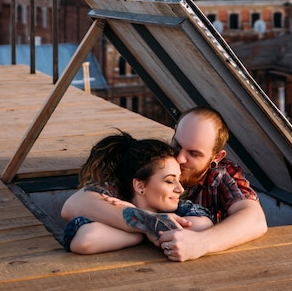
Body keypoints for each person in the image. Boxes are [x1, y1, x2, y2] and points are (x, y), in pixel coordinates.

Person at [61, 107, 267, 261]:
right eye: (177, 145)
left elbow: (255, 219)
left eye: (194, 154)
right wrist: (149, 224)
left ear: (216, 156)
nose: (179, 159)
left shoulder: (222, 173)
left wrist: (201, 244)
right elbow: (75, 205)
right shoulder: (152, 164)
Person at [62, 131, 214, 254]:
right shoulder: (112, 201)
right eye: (169, 181)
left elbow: (204, 225)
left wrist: (141, 227)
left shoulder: (180, 208)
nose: (180, 189)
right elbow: (85, 240)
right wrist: (147, 225)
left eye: (179, 179)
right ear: (140, 186)